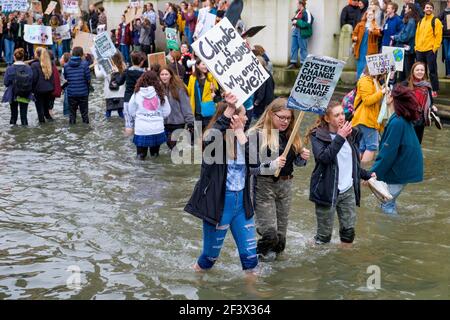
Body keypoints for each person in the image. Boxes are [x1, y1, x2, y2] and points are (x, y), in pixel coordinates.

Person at [184, 93, 258, 276]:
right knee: (209, 259)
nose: (247, 117)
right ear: (233, 118)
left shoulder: (244, 140)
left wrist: (240, 134)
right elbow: (209, 139)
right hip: (219, 205)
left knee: (250, 259)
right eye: (243, 114)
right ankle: (197, 279)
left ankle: (255, 293)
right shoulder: (216, 144)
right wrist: (231, 109)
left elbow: (256, 165)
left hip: (242, 205)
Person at [248, 98, 310, 260]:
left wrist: (302, 157)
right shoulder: (257, 134)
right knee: (270, 235)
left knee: (281, 241)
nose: (285, 121)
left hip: (286, 185)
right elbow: (251, 169)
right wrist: (272, 164)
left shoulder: (291, 133)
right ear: (270, 114)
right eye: (281, 117)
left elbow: (298, 163)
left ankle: (274, 276)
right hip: (263, 186)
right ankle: (252, 262)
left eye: (288, 118)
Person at [307, 101, 373, 246]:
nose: (342, 117)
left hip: (347, 190)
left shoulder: (352, 133)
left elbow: (350, 164)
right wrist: (340, 137)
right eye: (337, 115)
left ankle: (345, 262)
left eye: (342, 113)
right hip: (327, 191)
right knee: (324, 238)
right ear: (327, 118)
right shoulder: (318, 135)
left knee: (348, 233)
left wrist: (367, 175)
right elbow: (324, 158)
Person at [370, 85, 423, 215]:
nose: (386, 96)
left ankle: (391, 233)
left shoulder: (397, 122)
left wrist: (372, 174)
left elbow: (388, 153)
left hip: (400, 170)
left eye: (388, 94)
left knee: (386, 205)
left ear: (392, 99)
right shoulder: (400, 118)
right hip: (405, 168)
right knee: (389, 203)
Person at [125, 71, 171, 159]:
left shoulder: (136, 94)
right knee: (155, 155)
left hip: (142, 129)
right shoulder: (161, 94)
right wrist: (158, 116)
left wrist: (139, 116)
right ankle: (155, 172)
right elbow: (167, 111)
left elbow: (131, 110)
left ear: (142, 80)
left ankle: (142, 172)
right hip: (157, 129)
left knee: (140, 156)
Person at [351, 66, 386, 165]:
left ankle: (356, 170)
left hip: (368, 118)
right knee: (372, 146)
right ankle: (364, 173)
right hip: (366, 118)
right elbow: (367, 101)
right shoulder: (365, 81)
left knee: (362, 147)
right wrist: (381, 92)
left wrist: (382, 90)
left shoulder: (374, 81)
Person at [159, 66, 194, 150]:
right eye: (162, 74)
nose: (164, 76)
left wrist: (190, 121)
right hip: (164, 123)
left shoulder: (179, 87)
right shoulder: (158, 88)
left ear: (171, 75)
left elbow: (185, 105)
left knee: (173, 144)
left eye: (166, 74)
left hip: (178, 122)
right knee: (170, 145)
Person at [403, 61, 439, 144]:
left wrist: (432, 106)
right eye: (417, 70)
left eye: (422, 70)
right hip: (408, 119)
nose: (420, 72)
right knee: (407, 144)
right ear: (413, 71)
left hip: (420, 120)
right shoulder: (406, 84)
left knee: (417, 144)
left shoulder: (427, 86)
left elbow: (430, 101)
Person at [415, 2, 443, 98]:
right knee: (421, 71)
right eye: (427, 7)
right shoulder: (420, 21)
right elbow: (417, 36)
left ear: (433, 9)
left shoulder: (436, 21)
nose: (428, 9)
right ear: (424, 9)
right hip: (419, 50)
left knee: (432, 71)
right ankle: (423, 88)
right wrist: (416, 47)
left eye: (430, 8)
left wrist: (434, 49)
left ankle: (434, 89)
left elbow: (438, 37)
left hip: (430, 50)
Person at [2, 48, 33, 126]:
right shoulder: (28, 68)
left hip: (13, 94)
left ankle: (13, 134)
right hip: (25, 93)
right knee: (24, 117)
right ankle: (25, 136)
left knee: (13, 116)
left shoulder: (10, 68)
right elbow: (32, 81)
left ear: (14, 57)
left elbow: (6, 83)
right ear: (23, 58)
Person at [187, 58, 219, 130]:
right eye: (203, 64)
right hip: (197, 111)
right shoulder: (192, 78)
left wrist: (213, 89)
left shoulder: (211, 76)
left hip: (208, 109)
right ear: (197, 65)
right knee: (197, 134)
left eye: (206, 64)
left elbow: (217, 91)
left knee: (208, 132)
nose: (205, 66)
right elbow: (188, 92)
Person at [63, 46, 91, 124]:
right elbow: (88, 79)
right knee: (84, 115)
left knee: (72, 115)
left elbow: (66, 77)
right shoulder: (85, 64)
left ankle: (72, 133)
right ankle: (86, 132)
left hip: (71, 93)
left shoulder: (66, 65)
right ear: (81, 54)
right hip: (83, 93)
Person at [393, 2, 420, 81]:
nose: (404, 9)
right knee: (403, 72)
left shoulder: (411, 21)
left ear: (410, 9)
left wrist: (395, 37)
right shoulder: (409, 20)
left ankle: (407, 90)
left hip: (408, 50)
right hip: (405, 50)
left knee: (407, 72)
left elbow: (406, 36)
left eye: (406, 8)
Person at [95, 51, 126, 119]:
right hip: (120, 94)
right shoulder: (123, 65)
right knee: (121, 112)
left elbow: (98, 76)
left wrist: (96, 65)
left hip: (109, 94)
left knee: (108, 112)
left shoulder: (107, 66)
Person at [352, 10, 381, 79]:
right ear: (366, 15)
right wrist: (354, 38)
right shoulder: (360, 24)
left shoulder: (375, 24)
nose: (369, 16)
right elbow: (354, 33)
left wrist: (372, 31)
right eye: (368, 14)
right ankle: (358, 80)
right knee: (360, 63)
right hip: (360, 46)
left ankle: (366, 80)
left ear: (373, 16)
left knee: (368, 64)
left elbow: (378, 33)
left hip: (370, 47)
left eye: (371, 15)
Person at [31, 48, 55, 123]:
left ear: (37, 55)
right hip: (49, 90)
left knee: (40, 113)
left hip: (38, 91)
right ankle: (51, 125)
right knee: (46, 112)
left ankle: (42, 131)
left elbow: (34, 79)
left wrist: (32, 90)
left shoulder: (34, 65)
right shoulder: (50, 63)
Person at [287, 0, 313, 69]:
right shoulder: (298, 12)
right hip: (295, 30)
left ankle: (303, 65)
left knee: (303, 48)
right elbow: (295, 20)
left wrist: (297, 22)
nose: (297, 5)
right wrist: (294, 22)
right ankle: (293, 63)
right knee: (293, 47)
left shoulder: (306, 12)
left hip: (302, 31)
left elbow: (308, 23)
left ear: (301, 4)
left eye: (297, 4)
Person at [439, 0, 450, 79]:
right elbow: (436, 20)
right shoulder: (444, 12)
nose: (449, 3)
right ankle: (448, 73)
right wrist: (443, 23)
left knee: (449, 55)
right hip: (445, 37)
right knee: (446, 56)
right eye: (448, 2)